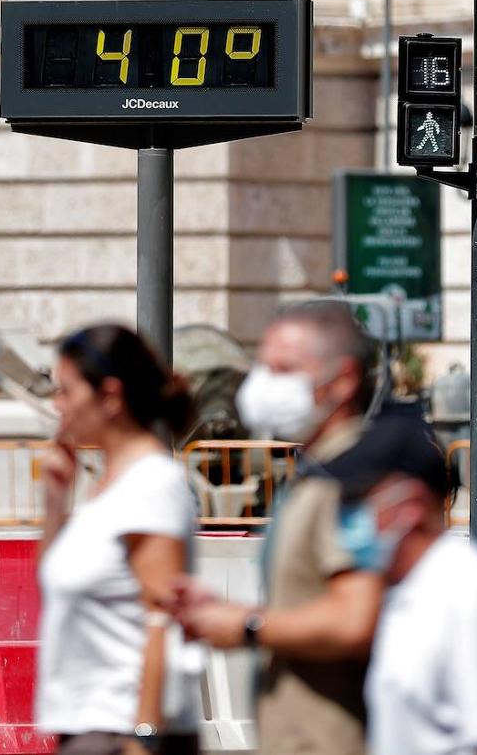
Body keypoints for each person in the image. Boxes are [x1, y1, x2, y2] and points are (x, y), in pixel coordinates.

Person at [172, 300, 383, 755]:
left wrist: (246, 625)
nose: (260, 384)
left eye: (283, 368)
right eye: (262, 367)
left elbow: (354, 618)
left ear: (342, 380)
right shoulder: (314, 474)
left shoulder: (351, 481)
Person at [37, 324, 200, 755]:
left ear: (110, 396)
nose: (58, 405)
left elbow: (161, 621)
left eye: (66, 391)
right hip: (90, 725)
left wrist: (143, 737)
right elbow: (52, 581)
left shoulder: (150, 486)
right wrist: (56, 501)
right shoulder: (109, 488)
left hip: (120, 732)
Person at [334, 416, 477, 755]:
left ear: (409, 506)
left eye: (357, 503)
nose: (343, 517)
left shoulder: (466, 592)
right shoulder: (402, 589)